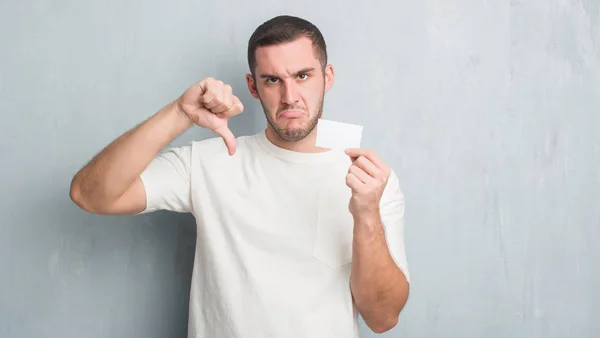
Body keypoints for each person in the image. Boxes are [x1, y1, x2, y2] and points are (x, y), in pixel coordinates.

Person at [70, 14, 410, 338]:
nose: (290, 97)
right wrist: (178, 113)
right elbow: (90, 194)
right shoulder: (210, 161)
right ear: (252, 85)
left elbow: (382, 318)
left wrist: (366, 213)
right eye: (273, 80)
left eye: (303, 76)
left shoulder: (371, 181)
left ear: (328, 77)